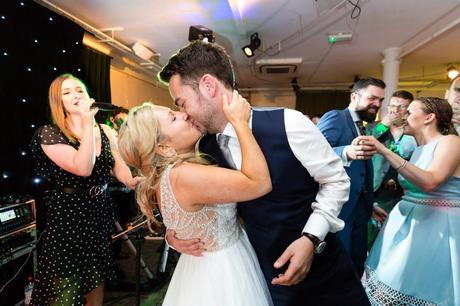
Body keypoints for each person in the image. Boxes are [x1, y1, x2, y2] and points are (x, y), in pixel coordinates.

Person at [159, 41, 369, 306]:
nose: (183, 113)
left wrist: (311, 238)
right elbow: (188, 200)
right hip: (261, 280)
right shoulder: (203, 148)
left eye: (182, 102)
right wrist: (175, 234)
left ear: (208, 85)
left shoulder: (288, 123)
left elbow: (336, 180)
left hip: (325, 277)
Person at [117, 93, 273, 306]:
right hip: (221, 270)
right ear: (164, 147)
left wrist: (172, 238)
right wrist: (240, 123)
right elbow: (259, 183)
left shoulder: (169, 173)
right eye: (173, 118)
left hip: (199, 266)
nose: (184, 115)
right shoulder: (183, 175)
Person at [29, 74, 139, 306]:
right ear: (58, 102)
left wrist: (131, 181)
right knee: (65, 288)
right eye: (67, 93)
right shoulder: (50, 133)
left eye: (79, 90)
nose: (76, 95)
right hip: (69, 217)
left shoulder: (106, 131)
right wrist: (88, 125)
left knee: (96, 277)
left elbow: (117, 165)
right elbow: (83, 167)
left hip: (98, 213)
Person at [362, 97, 460, 305]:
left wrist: (384, 150)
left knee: (427, 289)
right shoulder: (417, 149)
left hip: (437, 229)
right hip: (408, 225)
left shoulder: (451, 142)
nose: (403, 117)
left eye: (409, 112)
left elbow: (431, 182)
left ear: (429, 117)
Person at [317, 77, 384, 277]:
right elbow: (314, 152)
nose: (377, 104)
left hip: (360, 209)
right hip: (340, 209)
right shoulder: (336, 117)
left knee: (356, 264)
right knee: (338, 266)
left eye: (380, 100)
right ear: (354, 96)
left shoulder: (361, 125)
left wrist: (370, 205)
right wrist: (346, 151)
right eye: (372, 98)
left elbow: (361, 171)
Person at [365, 90, 417, 248]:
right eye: (392, 105)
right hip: (376, 190)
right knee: (370, 236)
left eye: (401, 107)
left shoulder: (413, 131)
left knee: (396, 239)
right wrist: (384, 125)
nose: (395, 110)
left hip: (403, 192)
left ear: (408, 111)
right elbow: (364, 141)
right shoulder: (375, 127)